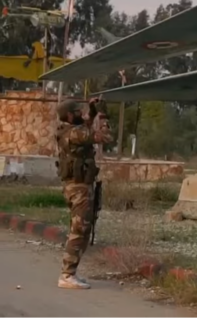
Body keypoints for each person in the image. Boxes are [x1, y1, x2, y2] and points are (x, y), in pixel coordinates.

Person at [55, 98, 113, 290]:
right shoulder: (75, 133)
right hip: (78, 188)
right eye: (78, 111)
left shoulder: (70, 130)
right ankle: (67, 275)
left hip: (78, 186)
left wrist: (93, 110)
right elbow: (105, 138)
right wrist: (103, 117)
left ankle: (71, 272)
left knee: (83, 229)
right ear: (70, 115)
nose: (83, 114)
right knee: (79, 230)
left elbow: (86, 124)